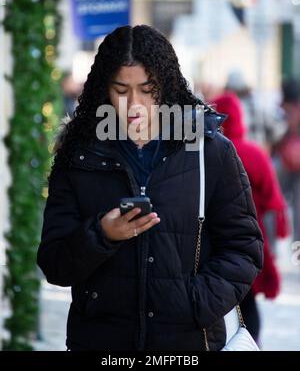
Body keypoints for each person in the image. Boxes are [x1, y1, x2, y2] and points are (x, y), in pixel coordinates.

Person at [37, 25, 263, 352]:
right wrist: (101, 235)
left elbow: (244, 248)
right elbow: (54, 262)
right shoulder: (77, 157)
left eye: (147, 89)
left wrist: (194, 303)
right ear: (103, 88)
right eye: (121, 89)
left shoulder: (210, 151)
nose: (134, 104)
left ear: (166, 85)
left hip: (188, 345)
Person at [211, 91, 289, 343]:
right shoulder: (253, 154)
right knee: (249, 300)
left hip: (215, 240)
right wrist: (279, 232)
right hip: (251, 238)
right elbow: (273, 199)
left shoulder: (207, 153)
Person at [272, 78, 300, 242]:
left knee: (274, 200)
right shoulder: (289, 108)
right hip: (287, 162)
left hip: (286, 161)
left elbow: (278, 136)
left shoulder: (285, 109)